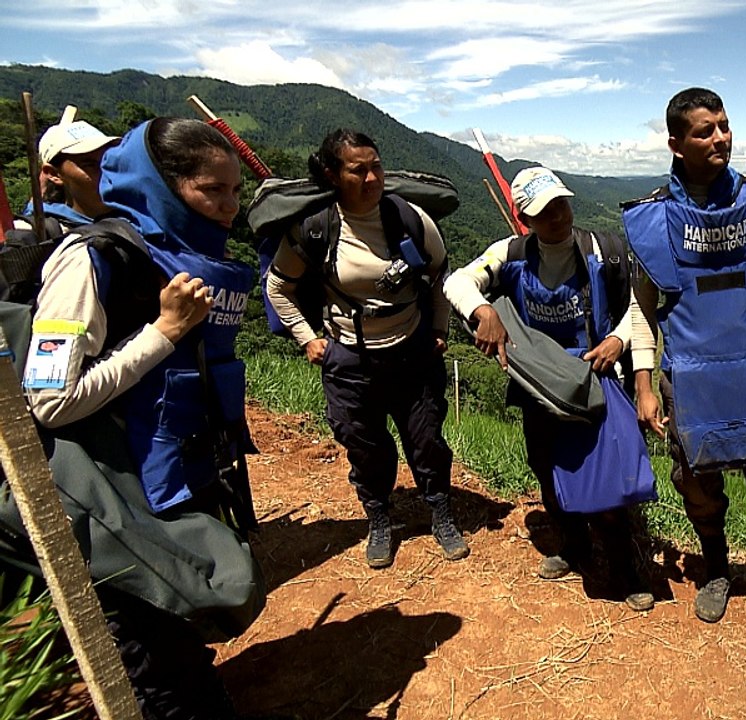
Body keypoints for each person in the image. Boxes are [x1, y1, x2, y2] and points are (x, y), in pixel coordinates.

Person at [18, 117, 271, 719]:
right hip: (119, 497)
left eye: (235, 191)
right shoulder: (92, 260)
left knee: (180, 628)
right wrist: (161, 334)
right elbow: (49, 399)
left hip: (179, 473)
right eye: (212, 191)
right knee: (150, 661)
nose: (229, 208)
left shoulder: (185, 257)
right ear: (160, 184)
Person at [623, 87, 746, 643]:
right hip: (691, 376)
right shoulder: (656, 222)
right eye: (704, 130)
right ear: (675, 142)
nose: (720, 137)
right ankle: (716, 569)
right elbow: (641, 309)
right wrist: (643, 384)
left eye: (725, 125)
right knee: (698, 483)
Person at [444, 166, 655, 611]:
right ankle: (574, 545)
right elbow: (457, 282)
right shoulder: (511, 253)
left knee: (608, 480)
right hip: (539, 384)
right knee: (547, 469)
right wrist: (482, 311)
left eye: (561, 204)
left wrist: (618, 339)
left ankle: (624, 567)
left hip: (593, 382)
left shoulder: (606, 251)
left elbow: (641, 303)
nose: (558, 216)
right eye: (544, 211)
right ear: (526, 218)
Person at [265, 128, 467, 568]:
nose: (372, 177)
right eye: (359, 170)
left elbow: (440, 276)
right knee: (364, 445)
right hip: (350, 359)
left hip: (412, 353)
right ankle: (379, 518)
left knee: (427, 441)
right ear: (333, 174)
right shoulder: (316, 228)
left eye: (376, 166)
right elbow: (278, 286)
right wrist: (307, 337)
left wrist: (439, 330)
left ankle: (440, 513)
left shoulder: (411, 219)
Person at [0, 106, 118, 302]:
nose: (105, 172)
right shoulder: (30, 237)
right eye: (90, 164)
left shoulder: (129, 226)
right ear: (54, 174)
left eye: (108, 160)